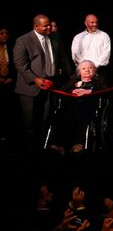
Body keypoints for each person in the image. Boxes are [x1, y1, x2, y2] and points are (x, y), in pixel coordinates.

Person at [14, 14, 72, 150]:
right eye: (45, 25)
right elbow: (20, 65)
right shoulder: (23, 40)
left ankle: (44, 148)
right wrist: (35, 79)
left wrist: (71, 76)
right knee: (30, 123)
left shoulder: (55, 37)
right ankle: (30, 151)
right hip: (30, 87)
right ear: (36, 26)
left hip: (50, 85)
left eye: (49, 25)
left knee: (47, 119)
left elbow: (63, 58)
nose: (49, 28)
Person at [56, 60, 107, 154]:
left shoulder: (98, 82)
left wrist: (89, 92)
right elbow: (63, 90)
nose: (87, 70)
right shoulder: (73, 82)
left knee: (82, 113)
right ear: (79, 72)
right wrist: (72, 91)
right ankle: (61, 144)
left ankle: (79, 143)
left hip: (89, 108)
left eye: (90, 68)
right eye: (83, 68)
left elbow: (105, 91)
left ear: (94, 71)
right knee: (62, 115)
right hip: (71, 107)